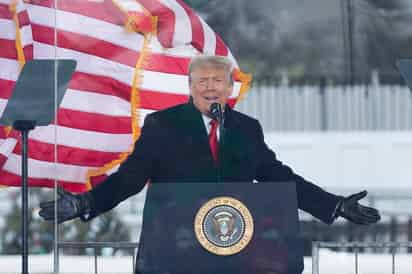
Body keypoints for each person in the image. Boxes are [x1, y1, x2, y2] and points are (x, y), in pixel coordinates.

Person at [39, 55, 380, 272]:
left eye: (218, 81)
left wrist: (333, 205)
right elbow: (129, 178)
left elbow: (279, 177)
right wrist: (86, 202)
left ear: (231, 87)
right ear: (190, 88)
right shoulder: (163, 125)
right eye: (202, 81)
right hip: (175, 252)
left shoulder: (246, 129)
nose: (210, 87)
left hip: (235, 252)